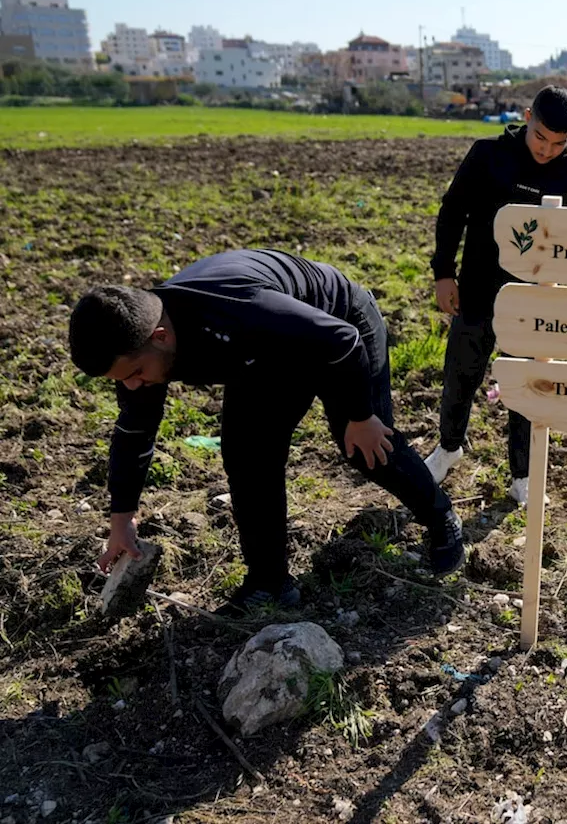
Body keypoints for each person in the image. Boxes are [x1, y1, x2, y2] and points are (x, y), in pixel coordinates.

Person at [69, 249, 465, 617]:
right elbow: (135, 429)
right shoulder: (135, 347)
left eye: (136, 374)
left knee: (366, 447)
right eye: (122, 380)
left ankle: (441, 516)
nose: (133, 386)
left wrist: (361, 418)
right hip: (262, 356)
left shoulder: (233, 311)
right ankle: (269, 581)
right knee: (247, 456)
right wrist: (121, 517)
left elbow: (341, 339)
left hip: (339, 327)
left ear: (161, 336)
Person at [427, 85, 567, 505]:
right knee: (460, 373)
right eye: (540, 137)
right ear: (526, 116)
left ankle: (523, 472)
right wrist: (443, 273)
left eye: (559, 143)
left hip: (535, 302)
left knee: (526, 387)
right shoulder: (487, 156)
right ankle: (449, 448)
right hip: (478, 288)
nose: (546, 150)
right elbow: (452, 213)